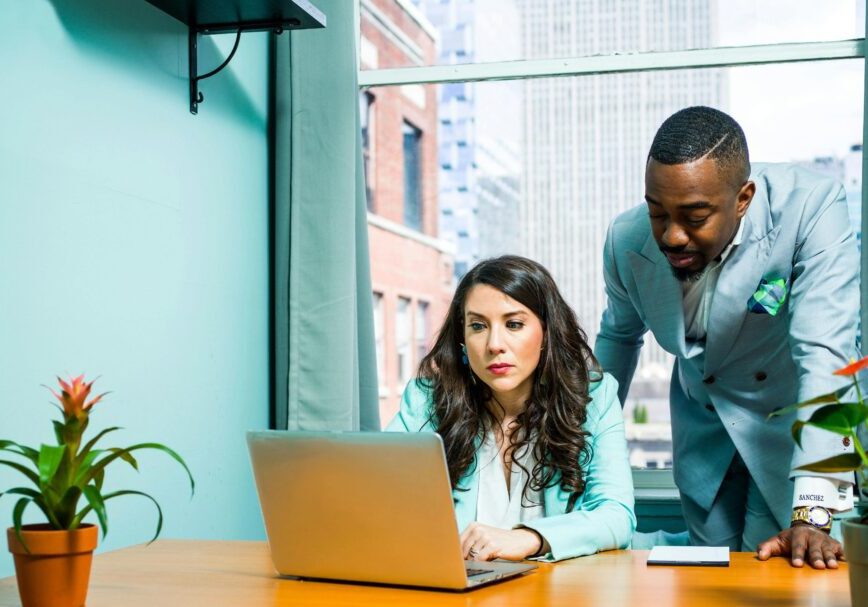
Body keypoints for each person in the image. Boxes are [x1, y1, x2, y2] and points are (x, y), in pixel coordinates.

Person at [595, 106, 859, 569]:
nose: (672, 236)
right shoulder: (625, 239)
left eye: (695, 217)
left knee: (788, 575)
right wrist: (575, 446)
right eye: (657, 212)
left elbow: (826, 353)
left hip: (791, 432)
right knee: (710, 581)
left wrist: (813, 510)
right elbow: (617, 341)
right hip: (703, 437)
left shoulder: (810, 207)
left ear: (744, 198)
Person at [387, 255, 636, 562]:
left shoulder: (594, 397)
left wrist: (530, 538)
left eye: (514, 324)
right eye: (477, 326)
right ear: (462, 340)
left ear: (547, 332)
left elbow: (616, 515)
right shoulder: (426, 402)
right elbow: (378, 497)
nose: (494, 344)